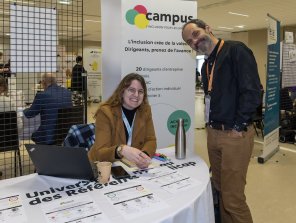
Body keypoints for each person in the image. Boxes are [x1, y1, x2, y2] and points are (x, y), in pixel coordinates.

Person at [182, 19, 261, 223]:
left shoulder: (236, 51)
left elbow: (252, 92)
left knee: (233, 199)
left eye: (196, 34)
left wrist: (238, 127)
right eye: (190, 42)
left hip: (235, 134)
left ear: (208, 28)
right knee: (219, 192)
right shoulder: (206, 64)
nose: (195, 42)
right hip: (214, 133)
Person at [88, 73, 156, 169]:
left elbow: (151, 140)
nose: (136, 95)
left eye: (140, 91)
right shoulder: (106, 112)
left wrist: (143, 156)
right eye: (131, 90)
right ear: (122, 91)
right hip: (102, 166)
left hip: (129, 166)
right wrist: (121, 150)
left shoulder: (145, 110)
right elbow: (100, 153)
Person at [24, 73, 72, 145]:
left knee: (34, 134)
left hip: (48, 135)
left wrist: (24, 109)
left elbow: (29, 114)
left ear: (43, 82)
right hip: (66, 133)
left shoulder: (42, 95)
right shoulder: (67, 92)